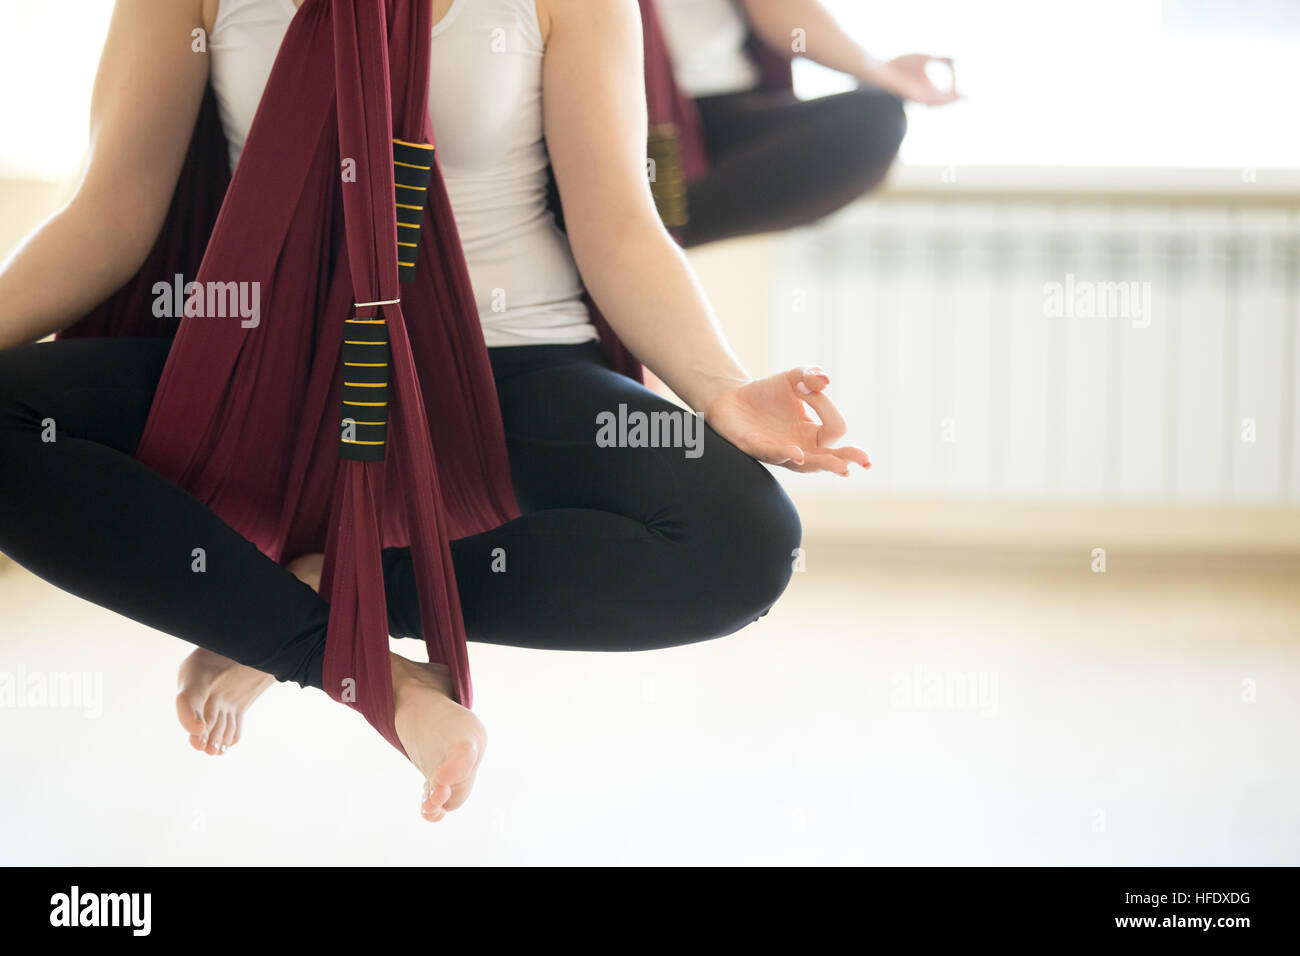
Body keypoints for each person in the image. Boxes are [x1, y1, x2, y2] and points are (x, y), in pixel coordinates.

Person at [0, 0, 868, 823]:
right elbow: (108, 216)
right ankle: (342, 657)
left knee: (743, 543)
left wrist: (719, 388)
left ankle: (315, 592)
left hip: (510, 364)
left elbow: (621, 227)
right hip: (268, 369)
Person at [646, 0, 960, 247]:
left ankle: (652, 229)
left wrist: (881, 74)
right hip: (652, 100)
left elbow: (781, 9)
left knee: (874, 123)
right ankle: (645, 229)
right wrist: (880, 73)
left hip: (730, 102)